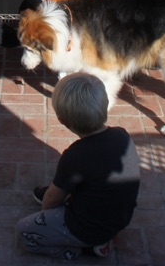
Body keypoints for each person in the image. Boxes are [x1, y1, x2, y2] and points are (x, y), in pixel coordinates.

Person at [16, 72, 140, 259]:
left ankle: (83, 249)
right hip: (120, 219)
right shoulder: (122, 134)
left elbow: (51, 200)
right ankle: (101, 238)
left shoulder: (75, 155)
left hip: (86, 229)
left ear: (62, 121)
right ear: (105, 105)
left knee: (23, 232)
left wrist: (46, 218)